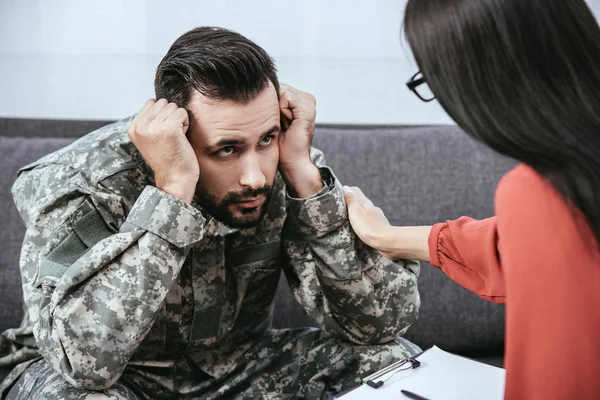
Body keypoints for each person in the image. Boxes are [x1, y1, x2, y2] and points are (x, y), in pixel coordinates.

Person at [0, 27, 421, 399]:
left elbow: (379, 327)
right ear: (179, 134)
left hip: (238, 370)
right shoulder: (81, 182)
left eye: (266, 138)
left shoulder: (284, 170)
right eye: (226, 149)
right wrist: (172, 192)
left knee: (391, 361)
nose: (255, 176)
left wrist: (305, 179)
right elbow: (85, 364)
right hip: (118, 381)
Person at [343, 0, 600, 398]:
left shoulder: (541, 193)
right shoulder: (574, 187)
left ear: (480, 78)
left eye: (432, 80)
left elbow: (559, 383)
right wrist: (388, 237)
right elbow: (512, 246)